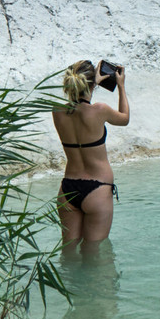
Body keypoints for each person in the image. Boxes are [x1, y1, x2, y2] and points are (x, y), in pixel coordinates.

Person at [53, 59, 130, 248]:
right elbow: (125, 118)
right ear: (92, 83)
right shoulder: (99, 110)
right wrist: (120, 85)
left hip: (68, 188)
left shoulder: (57, 111)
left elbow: (76, 105)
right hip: (97, 189)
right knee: (95, 255)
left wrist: (92, 82)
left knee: (68, 251)